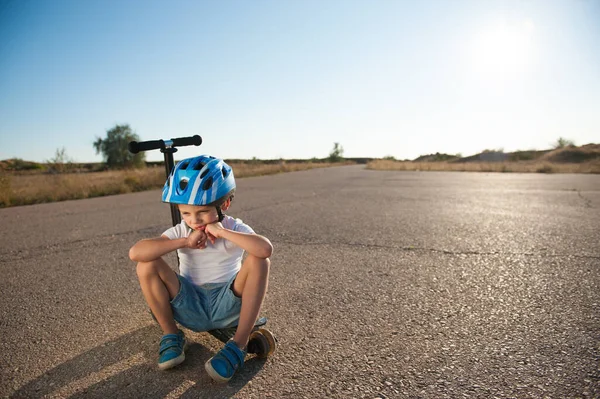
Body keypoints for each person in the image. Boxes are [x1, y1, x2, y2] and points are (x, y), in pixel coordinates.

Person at [129, 155, 273, 383]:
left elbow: (265, 249)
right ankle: (172, 335)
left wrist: (223, 232)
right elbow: (136, 253)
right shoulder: (182, 231)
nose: (194, 220)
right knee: (147, 264)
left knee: (258, 261)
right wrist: (183, 242)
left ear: (224, 204)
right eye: (185, 213)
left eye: (202, 212)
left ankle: (239, 344)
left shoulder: (234, 227)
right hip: (190, 303)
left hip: (227, 304)